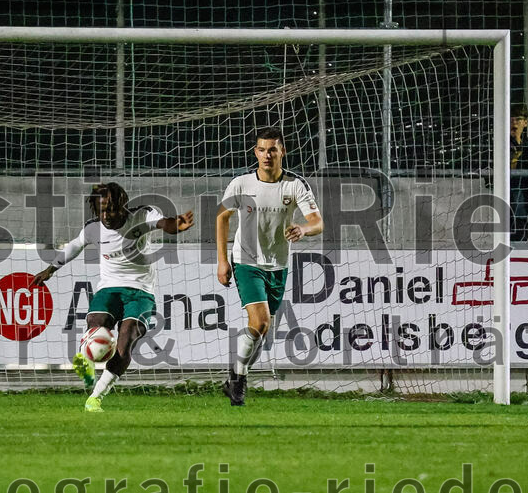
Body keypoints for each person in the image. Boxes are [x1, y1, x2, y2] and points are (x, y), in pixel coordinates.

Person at [30, 182, 194, 412]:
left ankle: (95, 397)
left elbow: (162, 223)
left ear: (123, 206)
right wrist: (49, 270)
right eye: (101, 210)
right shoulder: (94, 228)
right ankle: (85, 360)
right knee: (95, 325)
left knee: (126, 340)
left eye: (111, 209)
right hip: (109, 288)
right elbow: (76, 245)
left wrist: (175, 225)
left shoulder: (140, 215)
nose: (106, 215)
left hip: (140, 291)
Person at [216, 123, 323, 406]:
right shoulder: (241, 184)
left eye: (272, 149)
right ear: (255, 152)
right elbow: (222, 218)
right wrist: (222, 261)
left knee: (263, 331)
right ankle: (238, 381)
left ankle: (236, 377)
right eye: (262, 150)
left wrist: (302, 229)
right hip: (246, 262)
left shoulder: (295, 185)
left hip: (278, 264)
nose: (266, 155)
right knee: (260, 322)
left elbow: (317, 222)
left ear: (282, 151)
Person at [509, 103, 528, 243]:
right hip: (506, 199)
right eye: (511, 118)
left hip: (524, 201)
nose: (514, 122)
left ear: (525, 123)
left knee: (520, 236)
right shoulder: (501, 144)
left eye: (518, 119)